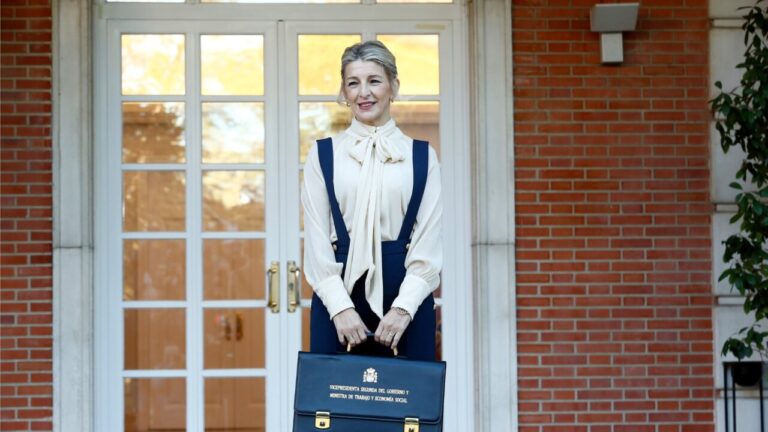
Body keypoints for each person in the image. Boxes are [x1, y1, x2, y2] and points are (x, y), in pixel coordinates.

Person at [301, 40, 442, 361]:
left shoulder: (422, 156)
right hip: (338, 298)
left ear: (394, 86)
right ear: (344, 93)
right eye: (353, 83)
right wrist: (340, 308)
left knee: (410, 393)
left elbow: (429, 243)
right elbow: (317, 241)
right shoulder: (323, 155)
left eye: (374, 81)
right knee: (331, 394)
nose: (364, 92)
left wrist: (403, 309)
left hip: (406, 297)